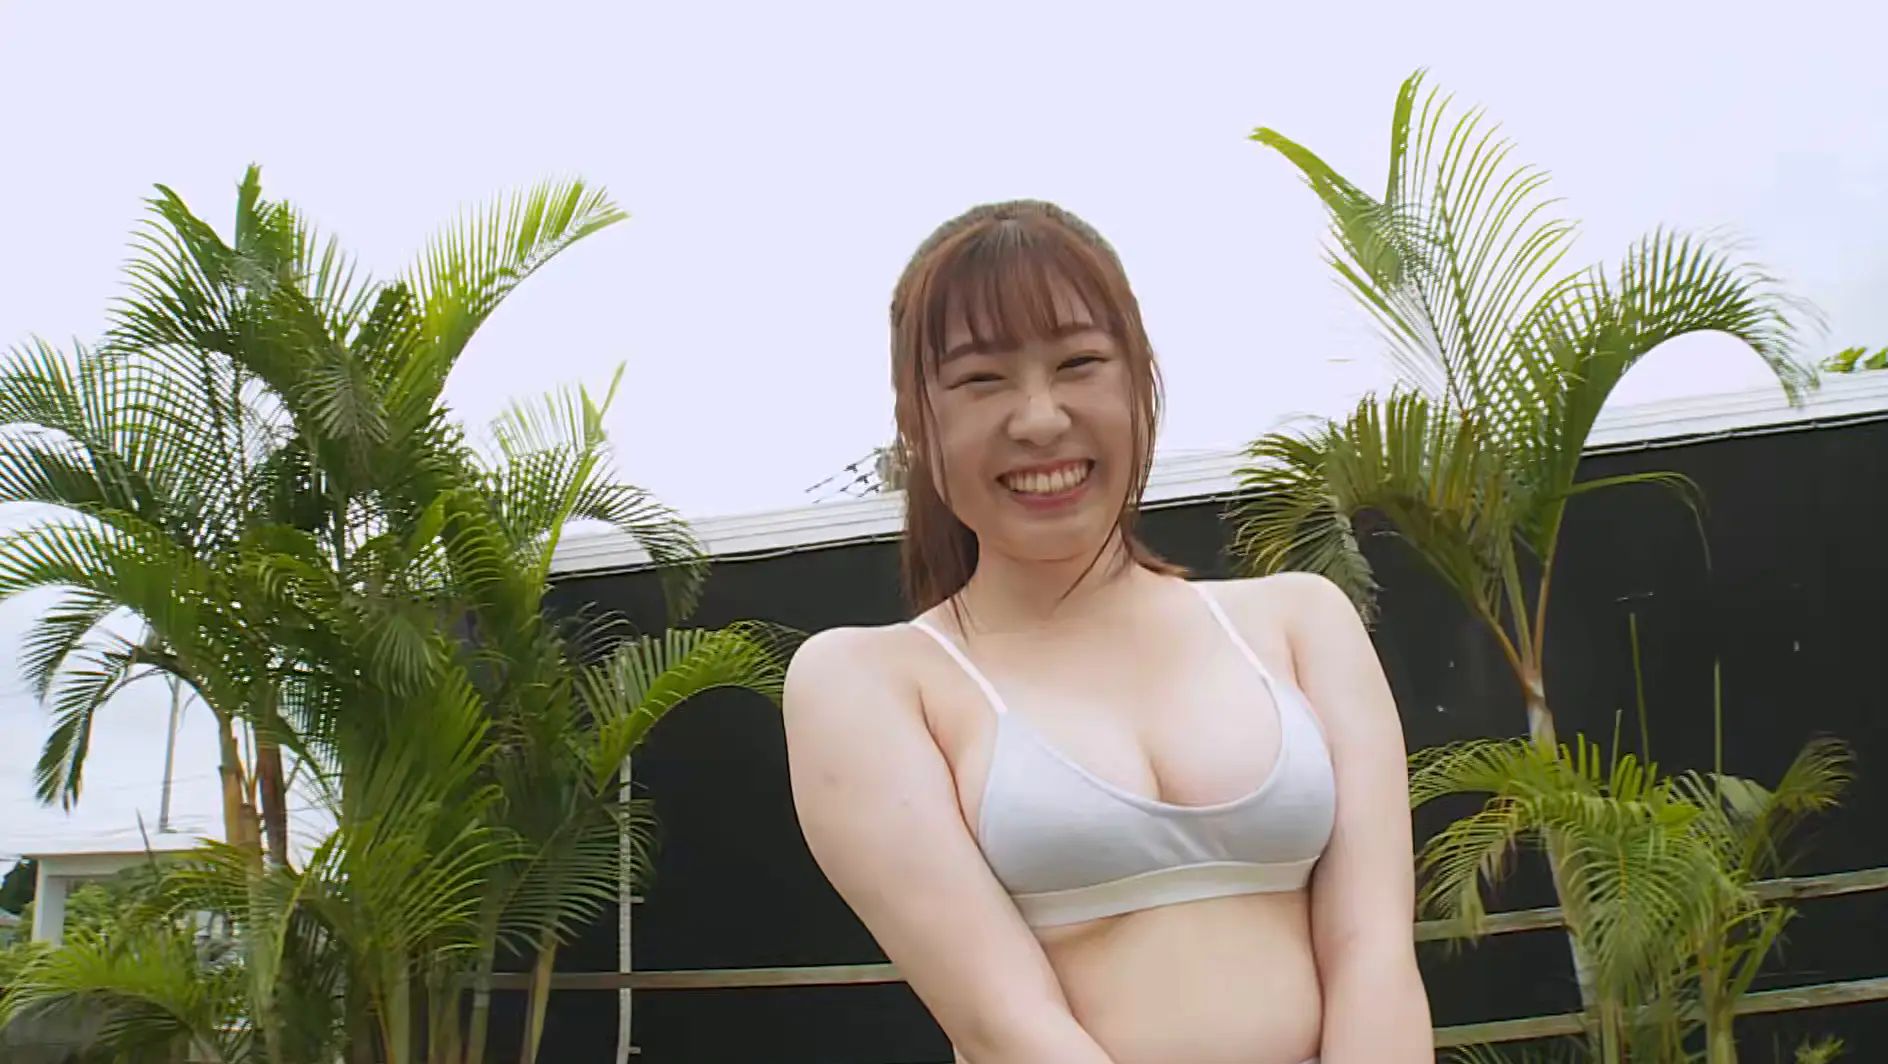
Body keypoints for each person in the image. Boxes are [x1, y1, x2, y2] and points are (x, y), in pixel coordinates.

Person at [783, 200, 1432, 1064]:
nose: (1040, 418)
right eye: (981, 379)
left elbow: (1374, 953)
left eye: (1079, 363)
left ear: (1140, 379)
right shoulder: (867, 682)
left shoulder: (1301, 621)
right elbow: (1004, 1024)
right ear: (916, 421)